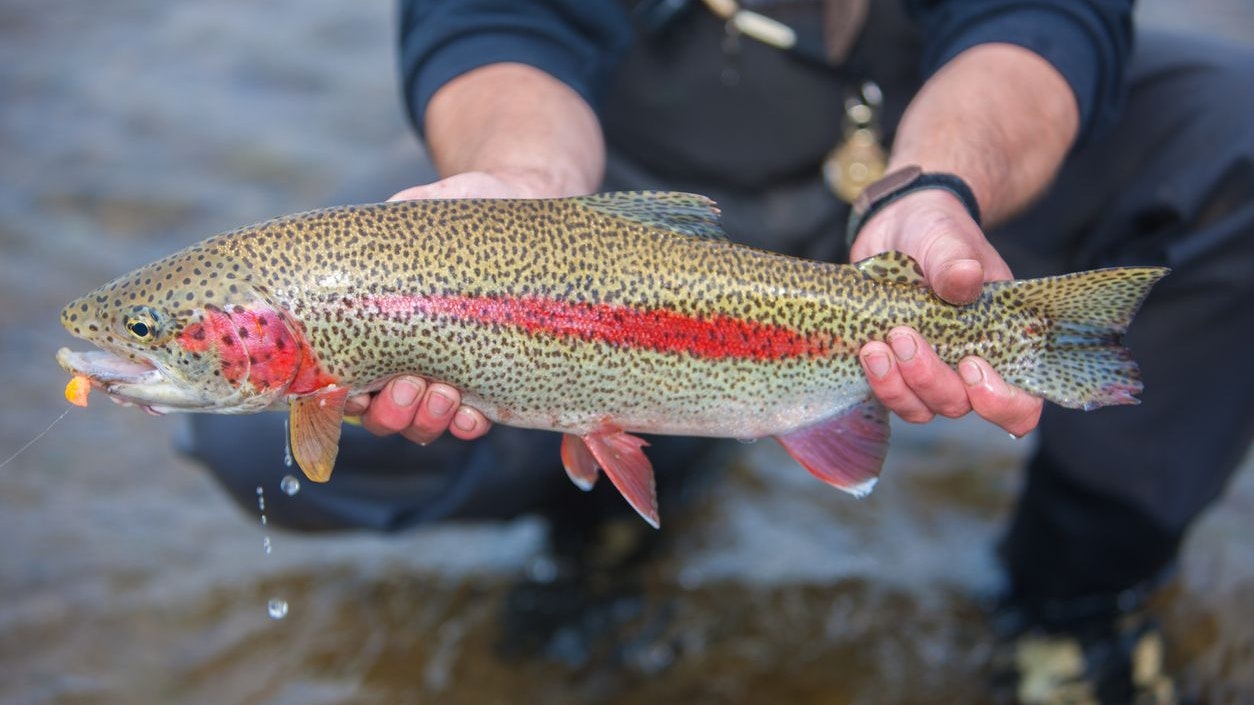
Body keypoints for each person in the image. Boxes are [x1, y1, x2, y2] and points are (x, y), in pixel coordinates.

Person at [186, 1, 1254, 702]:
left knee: (1235, 139)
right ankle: (617, 514)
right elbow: (496, 20)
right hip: (627, 183)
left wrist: (935, 181)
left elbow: (1045, 16)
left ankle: (1076, 606)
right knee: (258, 446)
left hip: (934, 148)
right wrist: (521, 191)